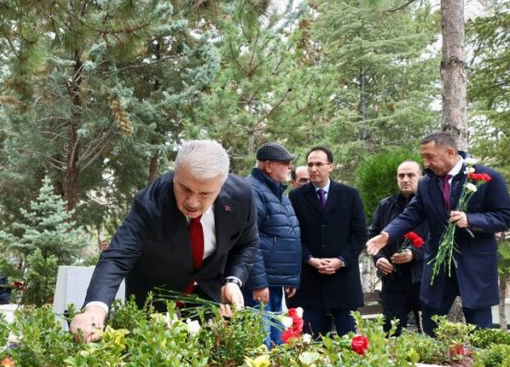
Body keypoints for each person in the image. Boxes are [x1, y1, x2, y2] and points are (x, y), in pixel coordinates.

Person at [70, 140, 258, 342]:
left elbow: (247, 244)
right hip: (153, 293)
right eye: (184, 188)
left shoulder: (242, 196)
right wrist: (95, 308)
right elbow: (117, 256)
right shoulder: (150, 202)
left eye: (205, 193)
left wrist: (233, 280)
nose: (192, 202)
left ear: (221, 184)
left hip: (206, 293)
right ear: (175, 174)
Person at [366, 132, 510, 335]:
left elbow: (506, 216)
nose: (426, 163)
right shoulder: (427, 183)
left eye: (430, 157)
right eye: (424, 157)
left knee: (479, 329)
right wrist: (387, 235)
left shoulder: (489, 177)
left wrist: (471, 220)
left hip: (475, 265)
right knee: (431, 323)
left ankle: (480, 365)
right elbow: (412, 214)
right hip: (438, 265)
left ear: (450, 152)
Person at [289, 146, 367, 337]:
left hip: (343, 280)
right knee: (311, 343)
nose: (314, 169)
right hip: (310, 281)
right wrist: (309, 259)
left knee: (350, 343)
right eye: (310, 164)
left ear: (330, 166)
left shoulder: (350, 195)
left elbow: (359, 234)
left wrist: (341, 260)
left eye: (319, 164)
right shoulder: (295, 197)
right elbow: (292, 235)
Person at [244, 143, 301, 344]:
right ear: (268, 166)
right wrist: (258, 283)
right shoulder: (252, 190)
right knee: (261, 346)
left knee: (276, 347)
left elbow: (285, 235)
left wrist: (289, 278)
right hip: (259, 286)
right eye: (285, 163)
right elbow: (251, 240)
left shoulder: (278, 193)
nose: (290, 167)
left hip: (274, 283)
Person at [368, 161, 429, 336]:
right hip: (393, 279)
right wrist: (379, 258)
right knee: (391, 332)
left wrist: (414, 254)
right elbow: (373, 235)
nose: (405, 179)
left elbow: (438, 240)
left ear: (421, 178)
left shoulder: (430, 206)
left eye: (411, 175)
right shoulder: (386, 205)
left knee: (429, 332)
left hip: (422, 278)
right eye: (401, 175)